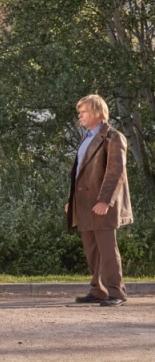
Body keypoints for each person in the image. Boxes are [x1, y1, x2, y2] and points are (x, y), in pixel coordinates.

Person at [67, 94, 132, 307]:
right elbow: (79, 172)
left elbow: (116, 172)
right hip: (85, 204)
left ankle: (116, 292)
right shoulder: (86, 137)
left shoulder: (113, 137)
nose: (80, 116)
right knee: (91, 250)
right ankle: (98, 291)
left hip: (102, 204)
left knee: (107, 250)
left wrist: (106, 200)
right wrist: (72, 201)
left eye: (84, 111)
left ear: (96, 112)